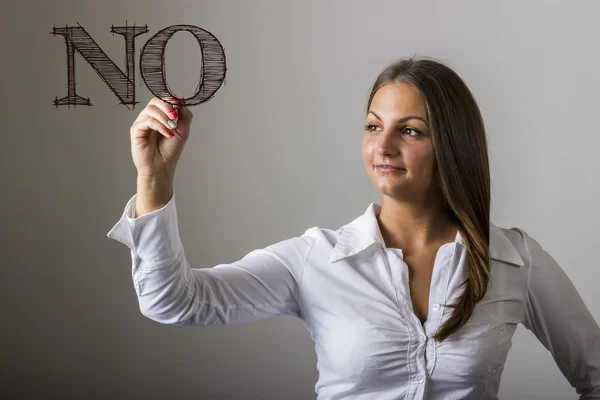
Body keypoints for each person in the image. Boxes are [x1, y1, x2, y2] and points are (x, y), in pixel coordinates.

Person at [107, 56, 600, 399]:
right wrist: (155, 177)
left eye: (409, 130)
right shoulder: (315, 259)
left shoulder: (514, 260)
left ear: (452, 145)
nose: (382, 146)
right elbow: (173, 302)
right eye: (372, 125)